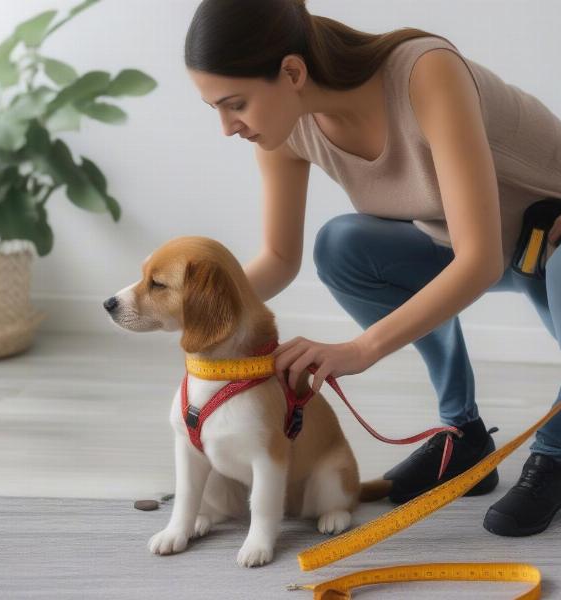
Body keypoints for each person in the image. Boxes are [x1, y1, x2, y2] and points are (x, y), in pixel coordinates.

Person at [184, 0, 561, 536]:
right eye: (214, 109)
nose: (227, 127)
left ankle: (555, 451)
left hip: (548, 239)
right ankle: (463, 436)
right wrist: (192, 306)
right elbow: (279, 259)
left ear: (292, 72)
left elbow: (479, 262)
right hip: (483, 247)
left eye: (235, 104)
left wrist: (359, 350)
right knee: (342, 246)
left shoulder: (425, 72)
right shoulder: (285, 128)